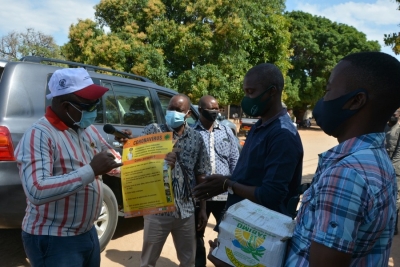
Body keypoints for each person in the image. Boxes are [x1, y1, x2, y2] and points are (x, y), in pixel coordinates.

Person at [285, 51, 400, 267]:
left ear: (356, 101)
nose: (323, 99)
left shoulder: (345, 174)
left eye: (328, 90)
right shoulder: (378, 160)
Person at [192, 63, 304, 266]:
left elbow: (271, 195)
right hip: (244, 226)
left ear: (272, 92)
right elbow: (248, 175)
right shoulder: (260, 127)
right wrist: (225, 181)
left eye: (251, 92)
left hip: (261, 237)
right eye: (245, 92)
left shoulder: (282, 135)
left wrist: (227, 184)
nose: (246, 99)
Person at [14, 68, 123, 267]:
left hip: (86, 232)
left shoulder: (86, 129)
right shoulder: (39, 135)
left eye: (95, 104)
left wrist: (139, 156)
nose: (94, 110)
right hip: (55, 239)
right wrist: (91, 170)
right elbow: (36, 190)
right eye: (89, 105)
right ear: (65, 105)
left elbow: (111, 161)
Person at [140, 94, 211, 267]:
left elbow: (201, 175)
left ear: (187, 114)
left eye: (178, 110)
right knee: (148, 261)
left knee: (188, 261)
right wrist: (158, 161)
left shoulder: (196, 138)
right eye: (170, 108)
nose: (172, 113)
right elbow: (137, 164)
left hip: (186, 210)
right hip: (157, 211)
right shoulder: (153, 131)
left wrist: (202, 208)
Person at [193, 95, 240, 267]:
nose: (215, 112)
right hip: (200, 196)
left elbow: (235, 161)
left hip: (224, 195)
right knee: (196, 235)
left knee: (228, 234)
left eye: (217, 108)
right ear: (200, 110)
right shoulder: (191, 133)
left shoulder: (227, 132)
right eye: (210, 109)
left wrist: (237, 190)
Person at [385, 109, 400, 235]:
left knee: (396, 198)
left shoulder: (398, 129)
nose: (394, 114)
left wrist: (391, 166)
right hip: (385, 165)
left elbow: (398, 153)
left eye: (396, 112)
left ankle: (393, 225)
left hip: (395, 168)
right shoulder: (384, 127)